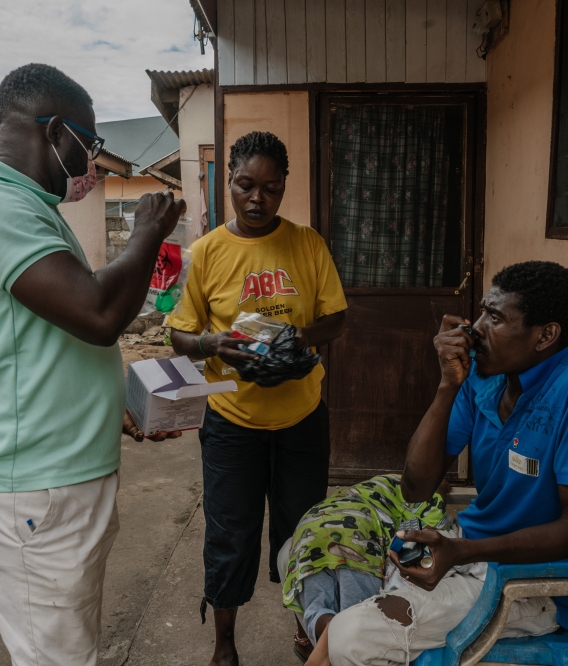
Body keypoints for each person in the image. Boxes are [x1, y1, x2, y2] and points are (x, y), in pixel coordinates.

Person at [0, 64, 185, 666]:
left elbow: (56, 340)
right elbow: (98, 312)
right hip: (34, 489)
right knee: (58, 659)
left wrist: (111, 413)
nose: (92, 160)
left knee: (71, 647)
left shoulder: (29, 207)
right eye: (89, 142)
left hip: (62, 477)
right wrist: (145, 236)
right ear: (53, 130)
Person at [309, 261, 568, 666]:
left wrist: (464, 551)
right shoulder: (485, 379)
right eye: (481, 313)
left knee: (349, 633)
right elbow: (416, 487)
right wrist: (447, 385)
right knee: (316, 556)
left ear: (546, 335)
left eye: (494, 318)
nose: (474, 329)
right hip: (469, 553)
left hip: (531, 583)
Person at [167, 131, 348, 666]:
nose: (257, 198)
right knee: (230, 531)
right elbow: (178, 334)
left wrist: (298, 341)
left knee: (304, 529)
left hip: (302, 417)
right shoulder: (205, 253)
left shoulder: (307, 243)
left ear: (283, 187)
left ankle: (306, 627)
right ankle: (225, 642)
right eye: (246, 184)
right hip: (231, 420)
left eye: (270, 188)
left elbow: (336, 317)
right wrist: (212, 343)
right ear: (229, 179)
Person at [278, 476, 452, 661]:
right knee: (357, 626)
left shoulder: (377, 483)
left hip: (308, 533)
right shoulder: (431, 500)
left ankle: (328, 625)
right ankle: (336, 631)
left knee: (317, 606)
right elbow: (436, 538)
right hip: (355, 537)